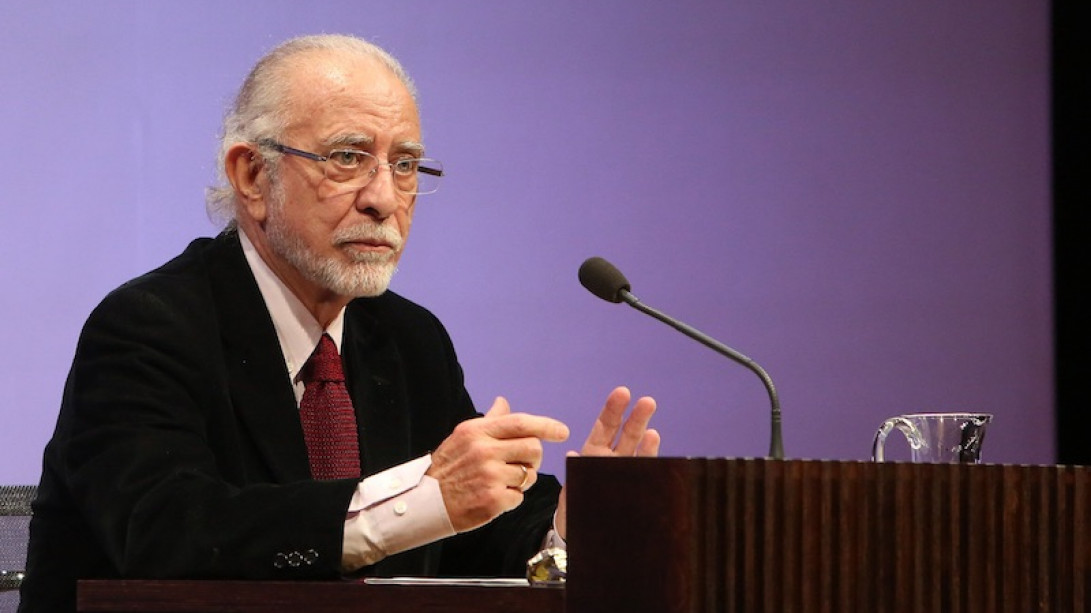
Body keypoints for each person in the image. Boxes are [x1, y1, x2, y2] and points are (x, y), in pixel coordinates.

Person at [18, 34, 660, 612]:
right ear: (251, 176)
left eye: (405, 165)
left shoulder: (409, 341)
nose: (384, 198)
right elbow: (169, 534)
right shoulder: (148, 326)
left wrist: (571, 531)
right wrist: (414, 503)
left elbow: (470, 536)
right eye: (349, 158)